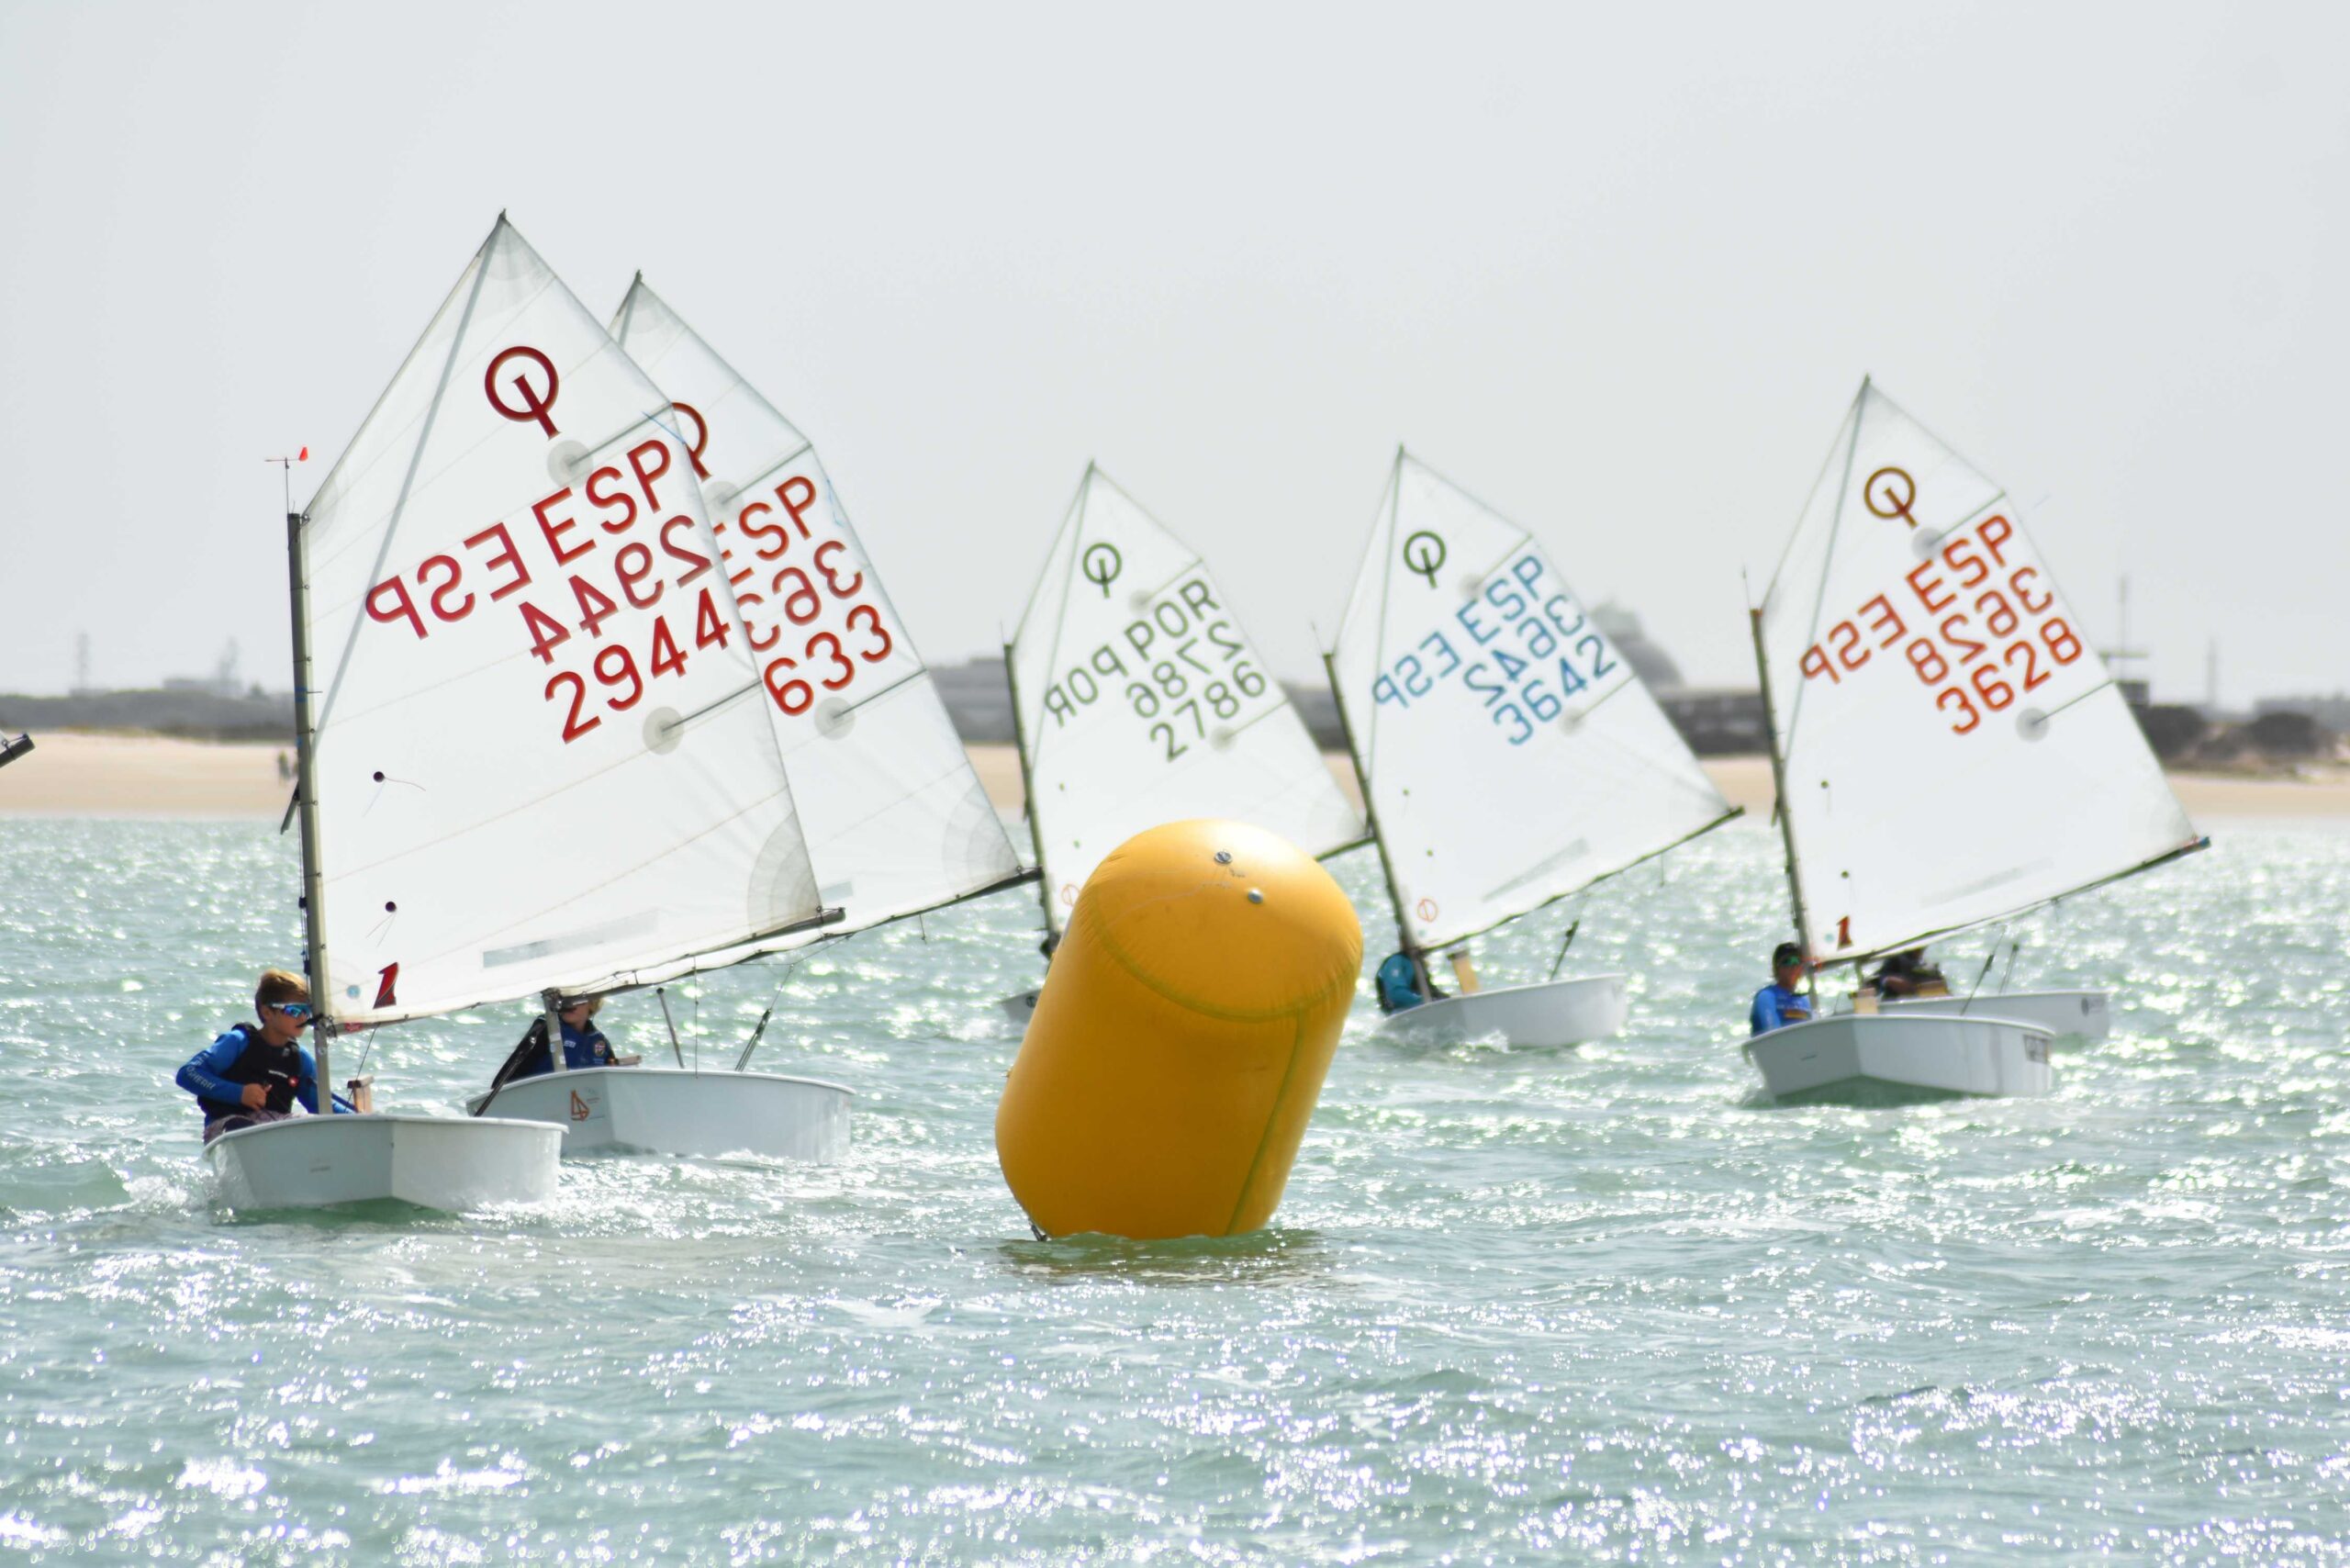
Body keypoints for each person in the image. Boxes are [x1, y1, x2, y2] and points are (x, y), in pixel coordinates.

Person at [177, 969, 352, 1142]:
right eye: (294, 1011)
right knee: (242, 1129)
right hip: (229, 1124)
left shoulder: (300, 1059)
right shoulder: (238, 1042)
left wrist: (359, 1118)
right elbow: (188, 1073)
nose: (303, 1018)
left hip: (273, 1128)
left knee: (314, 1125)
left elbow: (320, 1104)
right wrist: (239, 1093)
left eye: (307, 1011)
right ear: (267, 1012)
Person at [485, 995, 620, 1095]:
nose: (569, 1005)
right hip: (537, 1101)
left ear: (592, 1004)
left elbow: (612, 1085)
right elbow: (505, 1078)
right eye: (565, 999)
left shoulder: (599, 1042)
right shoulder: (547, 1029)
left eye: (577, 1000)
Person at [1749, 941, 1814, 1035]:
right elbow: (1773, 1034)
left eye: (1797, 961)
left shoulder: (1805, 1001)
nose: (1793, 966)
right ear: (1776, 968)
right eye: (1787, 961)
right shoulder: (1766, 996)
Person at [1374, 951, 1445, 1015]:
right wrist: (1428, 1000)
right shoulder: (1396, 961)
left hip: (1424, 1010)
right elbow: (1397, 995)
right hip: (1401, 1014)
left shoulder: (1417, 963)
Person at [1864, 947, 1946, 999]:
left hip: (1931, 1000)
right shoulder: (1896, 959)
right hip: (1901, 1005)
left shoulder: (1931, 963)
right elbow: (1884, 979)